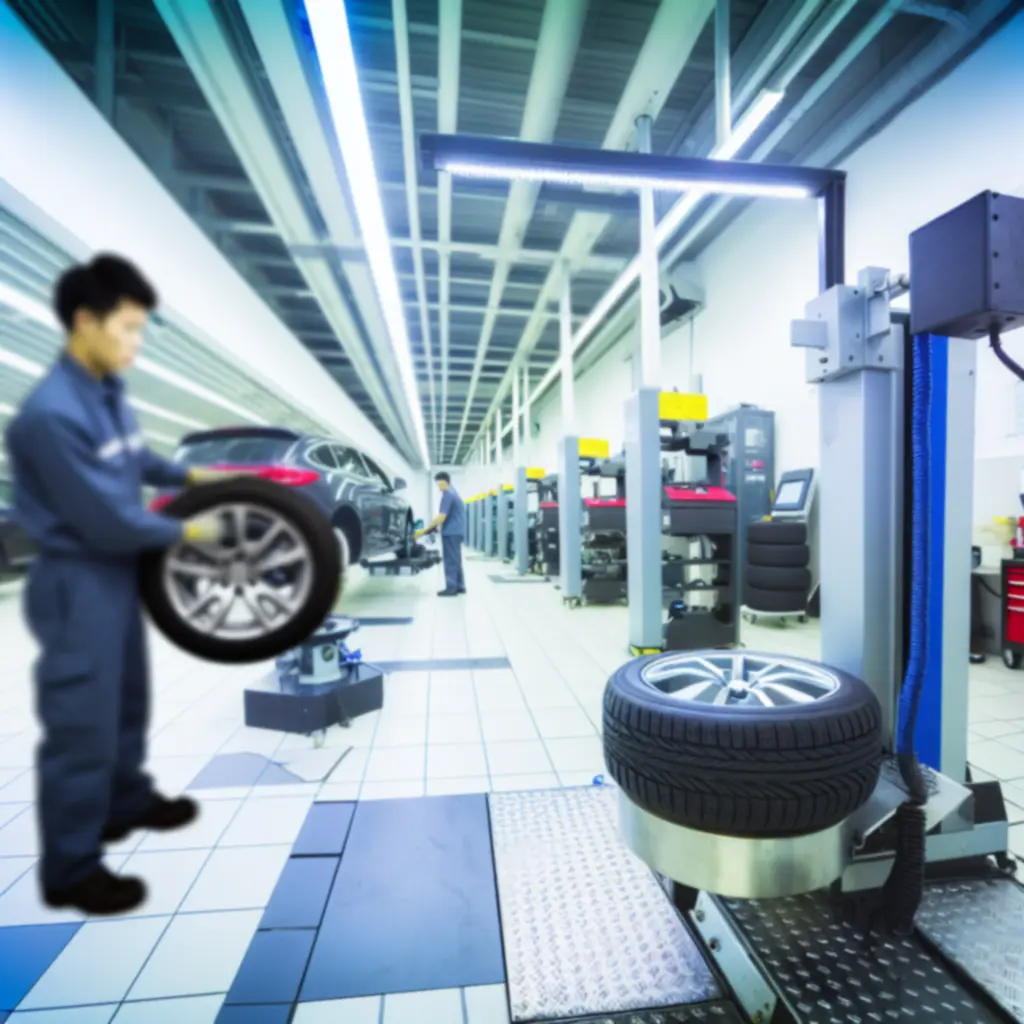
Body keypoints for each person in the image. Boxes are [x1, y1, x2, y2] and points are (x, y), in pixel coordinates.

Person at [4, 254, 233, 916]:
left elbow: (138, 461)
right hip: (76, 579)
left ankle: (125, 801)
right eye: (128, 329)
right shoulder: (48, 416)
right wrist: (190, 534)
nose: (135, 343)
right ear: (85, 321)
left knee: (127, 700)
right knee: (82, 721)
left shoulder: (107, 395)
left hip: (113, 577)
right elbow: (106, 520)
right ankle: (71, 867)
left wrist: (192, 480)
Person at [416, 471, 465, 596]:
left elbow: (442, 516)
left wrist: (427, 528)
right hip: (457, 531)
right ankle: (460, 586)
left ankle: (451, 588)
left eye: (438, 484)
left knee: (450, 560)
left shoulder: (448, 494)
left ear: (444, 481)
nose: (438, 487)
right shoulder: (454, 493)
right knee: (456, 559)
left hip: (450, 532)